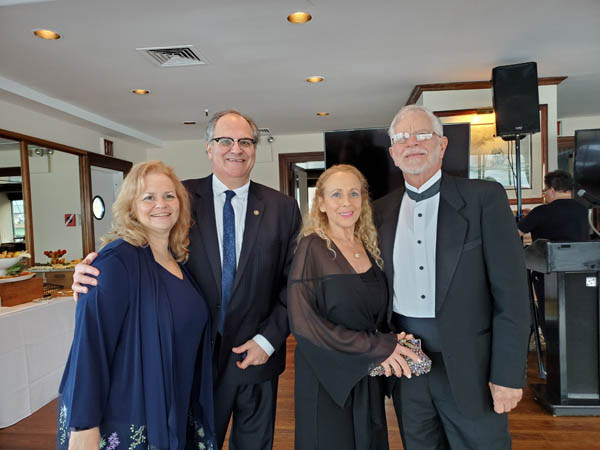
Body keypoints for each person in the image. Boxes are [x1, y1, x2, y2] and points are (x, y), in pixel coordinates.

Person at [72, 110, 301, 450]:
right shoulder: (180, 198)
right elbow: (139, 246)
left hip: (257, 358)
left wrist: (268, 340)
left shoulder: (283, 207)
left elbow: (294, 285)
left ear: (255, 147)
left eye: (245, 141)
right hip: (192, 363)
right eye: (225, 140)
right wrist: (92, 270)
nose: (236, 149)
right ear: (209, 148)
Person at [374, 105, 530, 449]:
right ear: (393, 153)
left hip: (473, 366)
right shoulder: (378, 211)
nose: (412, 143)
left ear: (442, 145)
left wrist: (507, 374)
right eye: (402, 138)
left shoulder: (483, 198)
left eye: (422, 135)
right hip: (407, 363)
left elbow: (513, 296)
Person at [58, 161, 216, 449]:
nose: (161, 204)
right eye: (148, 197)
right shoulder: (116, 262)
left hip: (176, 400)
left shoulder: (177, 258)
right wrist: (84, 425)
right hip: (131, 408)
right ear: (131, 206)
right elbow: (90, 345)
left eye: (169, 196)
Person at [288, 164, 418, 450]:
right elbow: (304, 323)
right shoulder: (312, 247)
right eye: (336, 194)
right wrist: (376, 346)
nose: (346, 202)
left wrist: (392, 342)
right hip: (328, 376)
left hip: (367, 370)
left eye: (354, 193)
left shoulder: (369, 244)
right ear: (321, 203)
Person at [517, 169, 590, 334]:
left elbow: (516, 233)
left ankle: (551, 341)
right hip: (577, 271)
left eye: (545, 191)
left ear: (552, 190)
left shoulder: (541, 211)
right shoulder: (582, 210)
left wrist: (530, 219)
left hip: (547, 272)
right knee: (576, 309)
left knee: (549, 312)